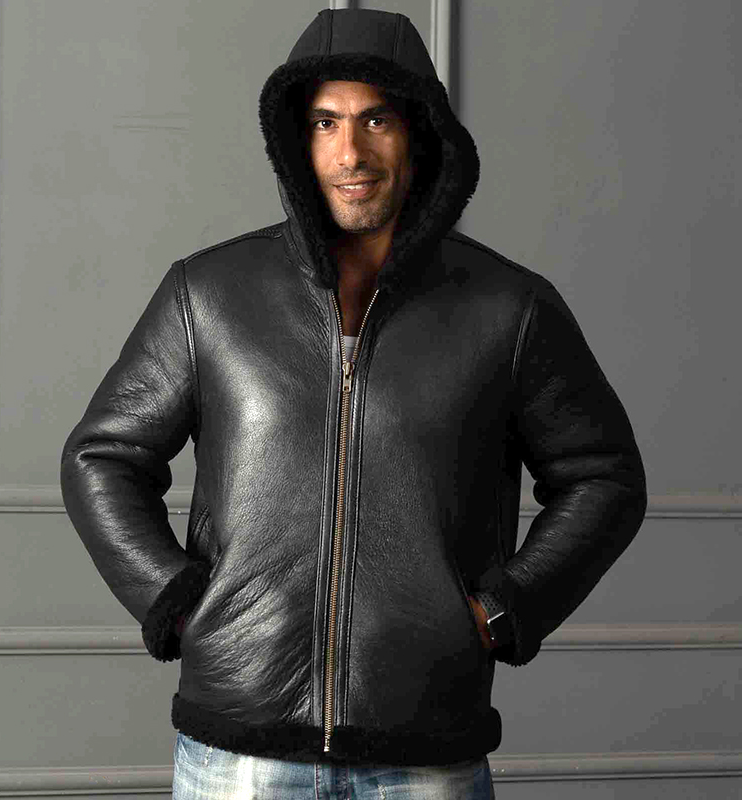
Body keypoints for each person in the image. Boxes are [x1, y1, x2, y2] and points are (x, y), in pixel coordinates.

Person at [60, 8, 647, 799]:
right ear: (294, 140)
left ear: (420, 134)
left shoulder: (508, 309)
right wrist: (176, 598)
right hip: (238, 756)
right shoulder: (212, 295)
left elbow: (604, 475)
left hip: (425, 757)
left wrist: (506, 608)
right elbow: (103, 456)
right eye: (325, 122)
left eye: (377, 119)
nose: (351, 153)